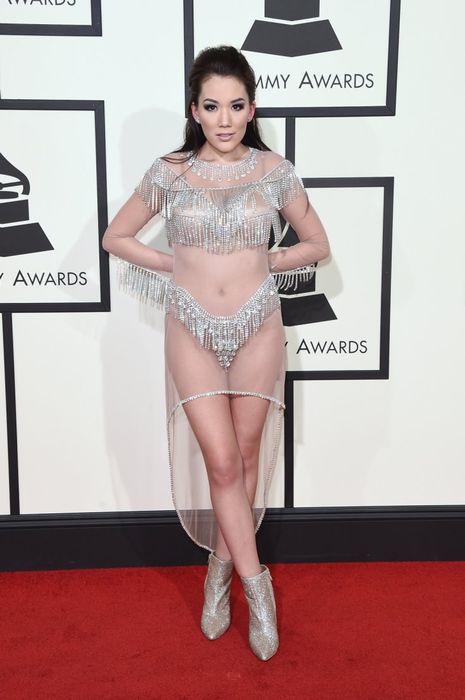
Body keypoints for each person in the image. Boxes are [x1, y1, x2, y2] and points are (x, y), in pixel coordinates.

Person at [102, 45, 330, 661]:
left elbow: (317, 244)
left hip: (258, 325)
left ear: (251, 109)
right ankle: (259, 589)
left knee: (246, 458)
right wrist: (174, 265)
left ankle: (220, 572)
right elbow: (115, 236)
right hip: (191, 326)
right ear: (194, 110)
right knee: (223, 463)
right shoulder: (169, 172)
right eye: (211, 106)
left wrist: (264, 263)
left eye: (235, 105)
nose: (224, 119)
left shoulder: (275, 171)